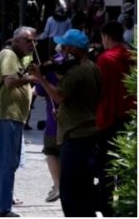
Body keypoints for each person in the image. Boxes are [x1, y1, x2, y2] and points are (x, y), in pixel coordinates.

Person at [30, 29, 101, 217]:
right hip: (89, 133)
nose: (63, 50)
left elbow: (59, 96)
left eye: (66, 47)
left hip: (75, 136)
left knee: (70, 193)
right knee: (84, 189)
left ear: (73, 48)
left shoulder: (76, 71)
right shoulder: (93, 67)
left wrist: (41, 78)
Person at [0, 26, 37, 218]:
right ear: (16, 40)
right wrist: (35, 78)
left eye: (34, 41)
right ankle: (0, 209)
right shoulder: (8, 55)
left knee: (11, 162)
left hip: (15, 116)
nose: (32, 44)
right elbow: (9, 81)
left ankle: (2, 206)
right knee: (6, 163)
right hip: (6, 114)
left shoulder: (21, 58)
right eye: (28, 40)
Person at [95, 21, 135, 216]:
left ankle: (108, 208)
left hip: (108, 118)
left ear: (107, 37)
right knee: (127, 165)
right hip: (130, 118)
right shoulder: (133, 56)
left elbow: (99, 90)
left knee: (107, 167)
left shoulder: (105, 59)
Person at [34, 52, 63, 204]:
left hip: (54, 120)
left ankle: (57, 185)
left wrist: (41, 78)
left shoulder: (50, 66)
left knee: (51, 151)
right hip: (75, 122)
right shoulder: (79, 64)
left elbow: (39, 91)